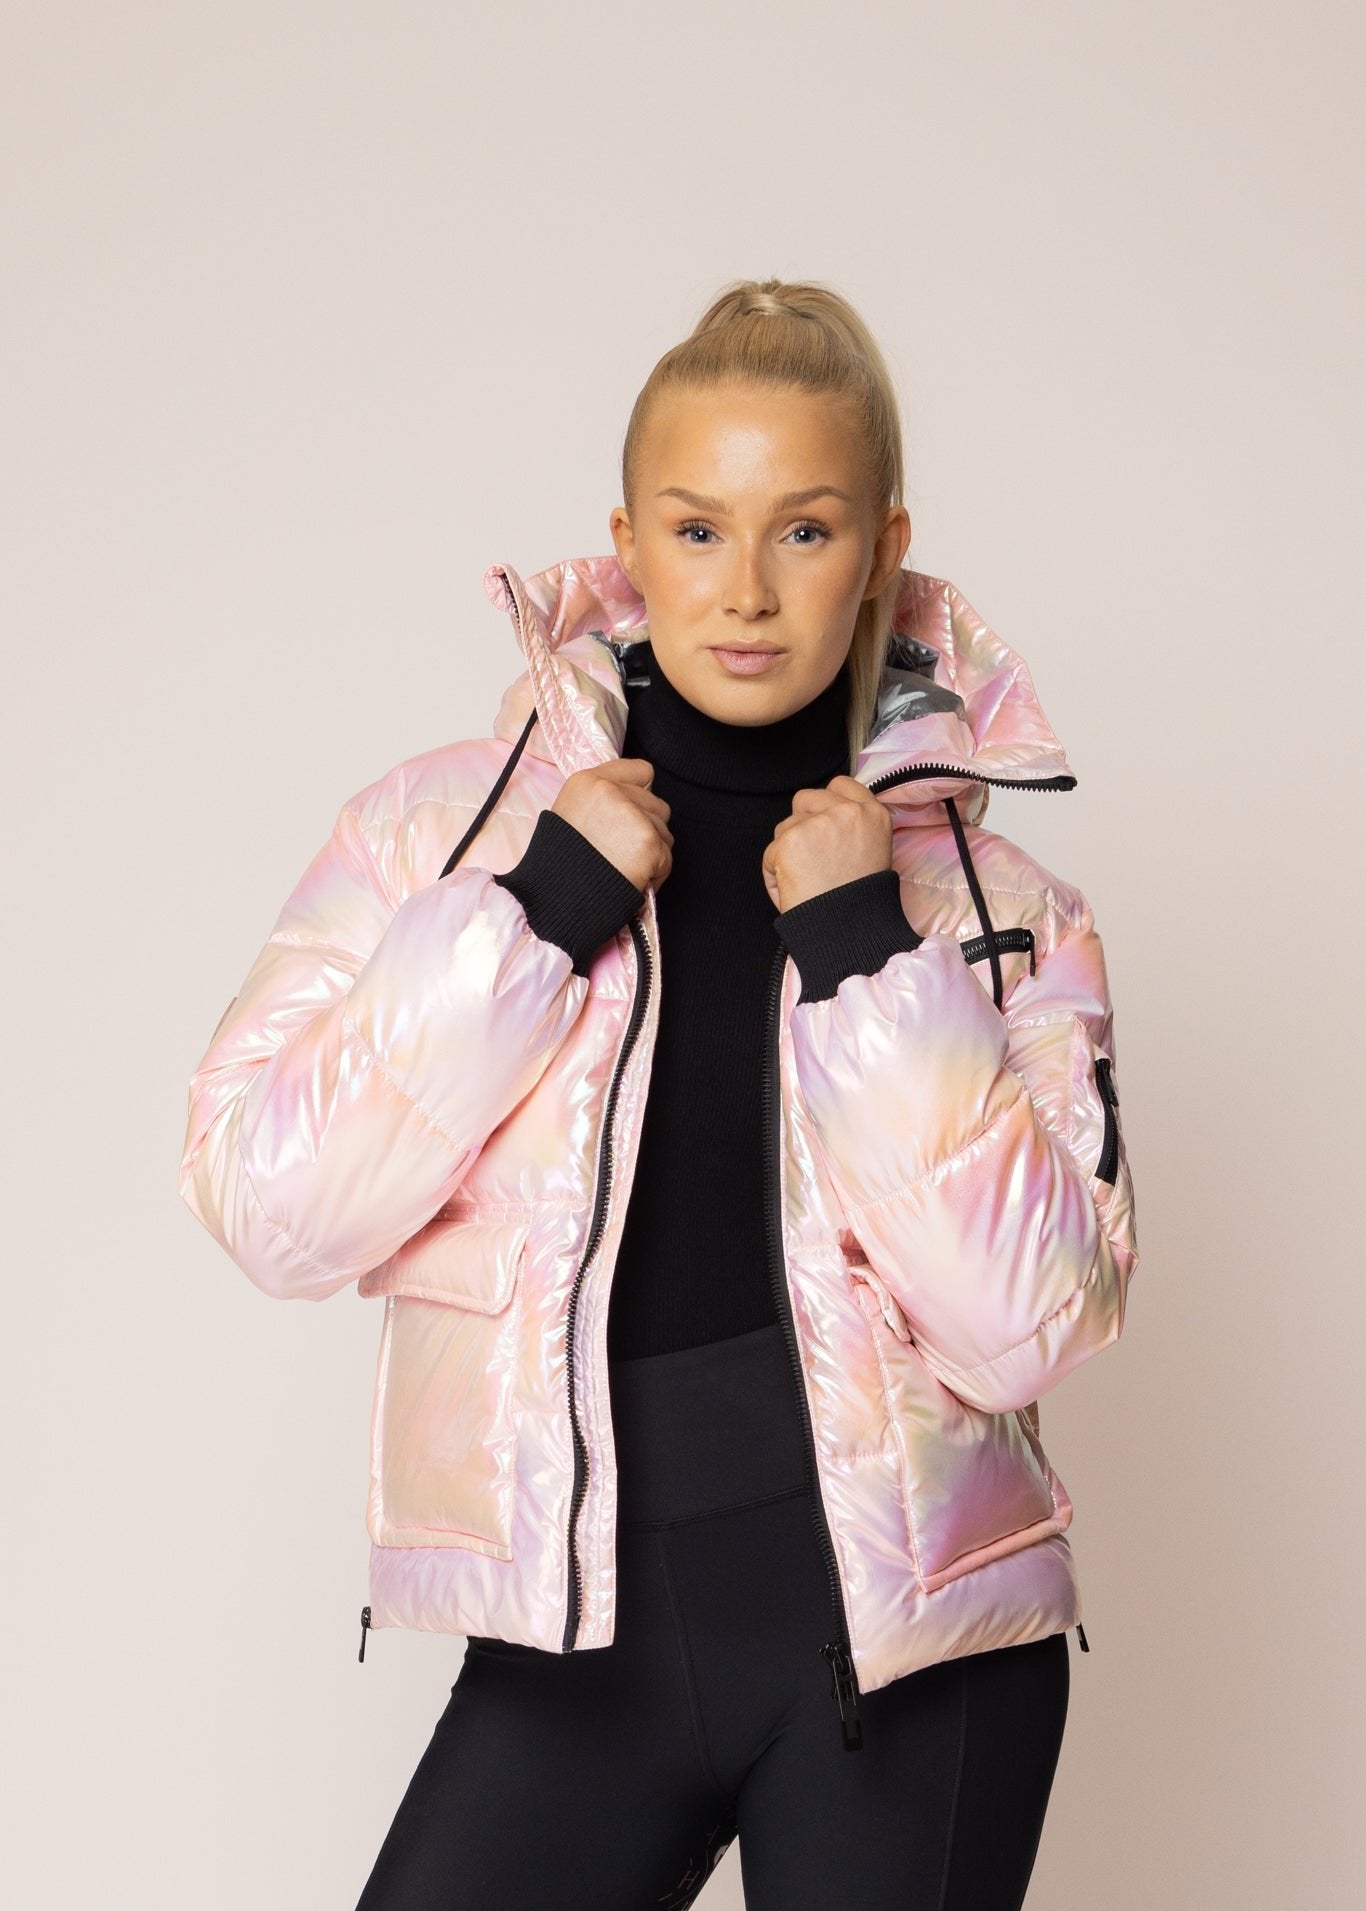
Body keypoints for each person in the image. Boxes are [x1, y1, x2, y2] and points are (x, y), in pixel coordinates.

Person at [177, 277, 1138, 1909]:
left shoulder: (998, 915)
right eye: (697, 531)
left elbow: (1029, 1328)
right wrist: (536, 918)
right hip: (586, 1640)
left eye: (804, 530)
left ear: (882, 551)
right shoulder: (441, 839)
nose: (745, 589)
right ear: (626, 542)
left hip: (913, 1667)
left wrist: (862, 954)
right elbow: (268, 1207)